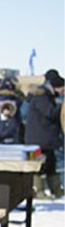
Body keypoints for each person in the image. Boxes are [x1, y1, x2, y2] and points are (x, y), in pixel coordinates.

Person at [25, 69, 64, 197]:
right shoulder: (41, 96)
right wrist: (61, 106)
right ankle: (38, 190)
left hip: (46, 138)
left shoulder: (47, 96)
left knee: (51, 164)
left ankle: (56, 189)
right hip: (39, 138)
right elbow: (50, 112)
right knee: (39, 165)